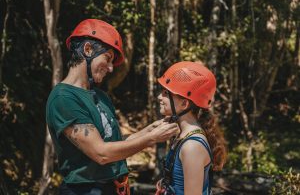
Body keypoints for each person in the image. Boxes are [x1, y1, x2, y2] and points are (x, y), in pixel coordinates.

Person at [45, 19, 179, 195]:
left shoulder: (101, 97)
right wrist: (151, 139)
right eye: (107, 59)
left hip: (112, 187)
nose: (110, 68)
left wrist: (148, 131)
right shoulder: (64, 98)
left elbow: (114, 145)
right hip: (86, 190)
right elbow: (101, 153)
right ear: (87, 49)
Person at [155, 61, 227, 195]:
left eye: (166, 93)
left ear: (184, 103)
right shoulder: (182, 136)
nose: (160, 97)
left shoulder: (192, 147)